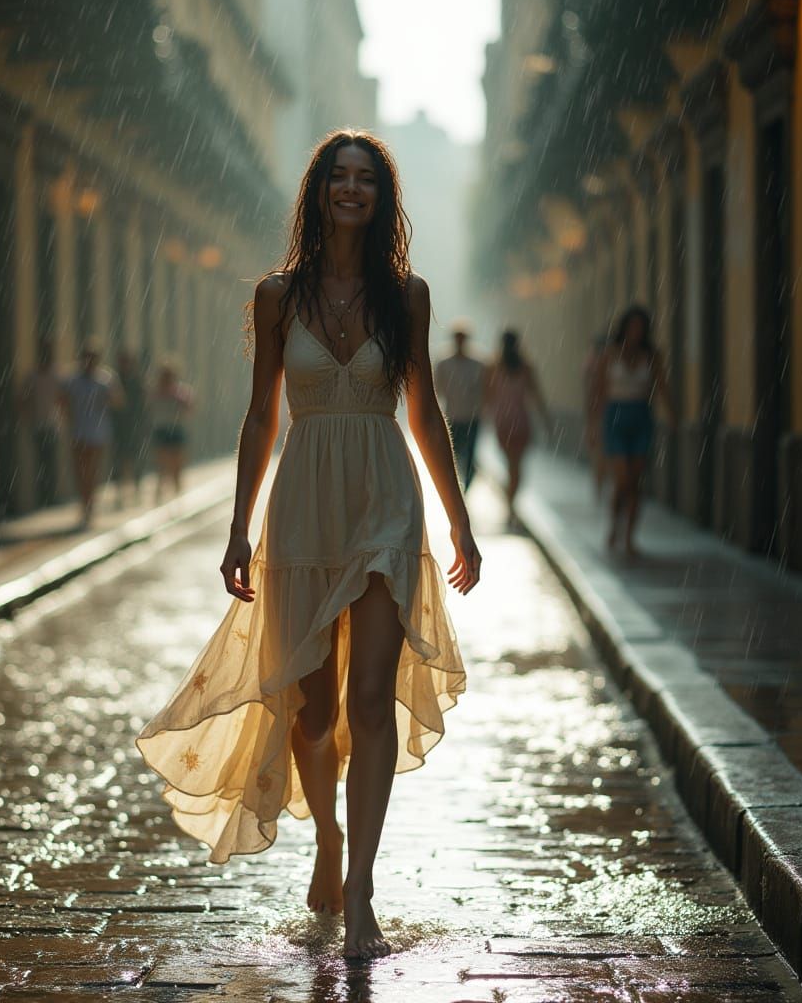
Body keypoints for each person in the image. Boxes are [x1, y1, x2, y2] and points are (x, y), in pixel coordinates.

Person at [136, 130, 481, 961]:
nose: (351, 190)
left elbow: (426, 413)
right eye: (339, 177)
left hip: (384, 502)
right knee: (314, 710)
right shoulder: (277, 296)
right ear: (320, 192)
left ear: (380, 197)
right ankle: (326, 834)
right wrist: (236, 526)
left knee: (370, 704)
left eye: (366, 179)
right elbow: (261, 416)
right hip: (300, 510)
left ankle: (361, 889)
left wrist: (459, 518)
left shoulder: (407, 297)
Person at [597, 305, 675, 557]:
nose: (636, 332)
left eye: (640, 328)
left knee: (635, 482)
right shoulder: (609, 353)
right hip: (615, 417)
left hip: (641, 417)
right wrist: (592, 424)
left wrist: (673, 415)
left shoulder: (652, 356)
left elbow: (662, 386)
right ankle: (614, 524)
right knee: (622, 480)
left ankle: (629, 537)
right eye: (632, 327)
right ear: (624, 328)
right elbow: (598, 390)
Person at [486, 329, 552, 526]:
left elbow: (487, 397)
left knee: (512, 466)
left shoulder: (495, 367)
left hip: (506, 422)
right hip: (518, 422)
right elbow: (536, 395)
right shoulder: (523, 367)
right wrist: (545, 419)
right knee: (516, 467)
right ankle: (511, 507)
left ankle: (510, 507)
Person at [60, 341, 123, 528]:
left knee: (92, 471)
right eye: (86, 357)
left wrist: (109, 399)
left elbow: (118, 401)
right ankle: (84, 505)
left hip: (98, 431)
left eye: (92, 358)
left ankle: (90, 506)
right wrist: (67, 420)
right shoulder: (72, 380)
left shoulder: (105, 379)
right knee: (80, 472)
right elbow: (62, 401)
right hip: (78, 430)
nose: (88, 361)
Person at [434, 321, 485, 491]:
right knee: (452, 456)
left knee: (470, 456)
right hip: (452, 417)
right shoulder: (443, 363)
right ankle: (455, 489)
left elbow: (485, 389)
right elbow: (437, 389)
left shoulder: (478, 364)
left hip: (472, 417)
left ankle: (467, 487)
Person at [19, 336, 63, 508]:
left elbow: (64, 398)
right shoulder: (32, 376)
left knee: (50, 460)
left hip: (52, 424)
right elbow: (22, 399)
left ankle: (50, 495)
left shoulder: (57, 374)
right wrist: (27, 417)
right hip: (38, 424)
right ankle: (44, 495)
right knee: (42, 461)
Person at [151, 360, 195, 502]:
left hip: (176, 429)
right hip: (162, 428)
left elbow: (190, 407)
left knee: (177, 463)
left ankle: (177, 492)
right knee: (162, 463)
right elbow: (149, 407)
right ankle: (160, 492)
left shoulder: (180, 391)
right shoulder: (155, 391)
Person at [112, 348, 149, 508]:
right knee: (119, 458)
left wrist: (143, 424)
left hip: (134, 426)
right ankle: (119, 492)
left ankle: (137, 488)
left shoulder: (137, 381)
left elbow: (143, 405)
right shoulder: (115, 380)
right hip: (119, 426)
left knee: (134, 458)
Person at [583, 333, 609, 502]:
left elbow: (589, 393)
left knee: (600, 456)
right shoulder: (596, 364)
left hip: (603, 413)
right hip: (604, 413)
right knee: (602, 455)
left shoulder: (592, 364)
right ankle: (601, 488)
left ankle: (600, 488)